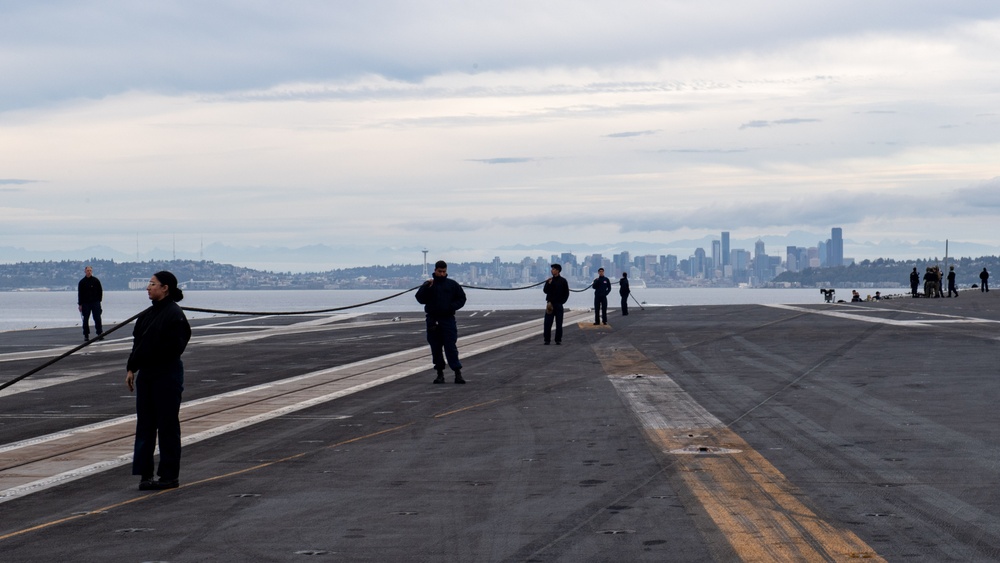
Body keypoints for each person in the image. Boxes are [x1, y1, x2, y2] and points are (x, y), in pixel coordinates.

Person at [125, 271, 192, 491]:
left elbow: (176, 347)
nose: (148, 287)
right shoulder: (146, 316)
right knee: (145, 425)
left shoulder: (175, 315)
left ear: (165, 288)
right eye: (149, 284)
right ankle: (145, 473)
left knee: (167, 425)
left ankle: (169, 476)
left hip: (167, 374)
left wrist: (149, 360)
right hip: (147, 375)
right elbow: (137, 344)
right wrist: (131, 368)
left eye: (152, 284)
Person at [415, 260, 467, 384]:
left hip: (447, 319)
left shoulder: (452, 285)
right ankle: (440, 374)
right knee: (436, 348)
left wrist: (451, 306)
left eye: (444, 272)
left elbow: (462, 298)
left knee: (451, 347)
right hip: (433, 320)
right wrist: (425, 286)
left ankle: (457, 373)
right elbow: (420, 298)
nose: (442, 274)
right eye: (440, 271)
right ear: (435, 270)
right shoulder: (429, 285)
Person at [543, 264, 570, 345]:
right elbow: (545, 291)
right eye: (552, 269)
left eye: (554, 269)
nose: (552, 270)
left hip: (558, 304)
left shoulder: (563, 281)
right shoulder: (549, 280)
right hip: (550, 304)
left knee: (559, 323)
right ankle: (547, 340)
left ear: (558, 270)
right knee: (547, 323)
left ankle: (558, 339)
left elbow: (566, 293)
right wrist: (549, 283)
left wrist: (562, 302)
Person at [78, 265, 104, 341]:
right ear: (85, 271)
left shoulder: (96, 281)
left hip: (95, 302)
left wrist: (99, 301)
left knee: (97, 318)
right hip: (85, 303)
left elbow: (100, 291)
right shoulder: (82, 282)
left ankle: (99, 333)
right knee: (85, 320)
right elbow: (80, 294)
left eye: (90, 271)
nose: (89, 272)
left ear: (91, 271)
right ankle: (86, 335)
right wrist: (80, 304)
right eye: (87, 271)